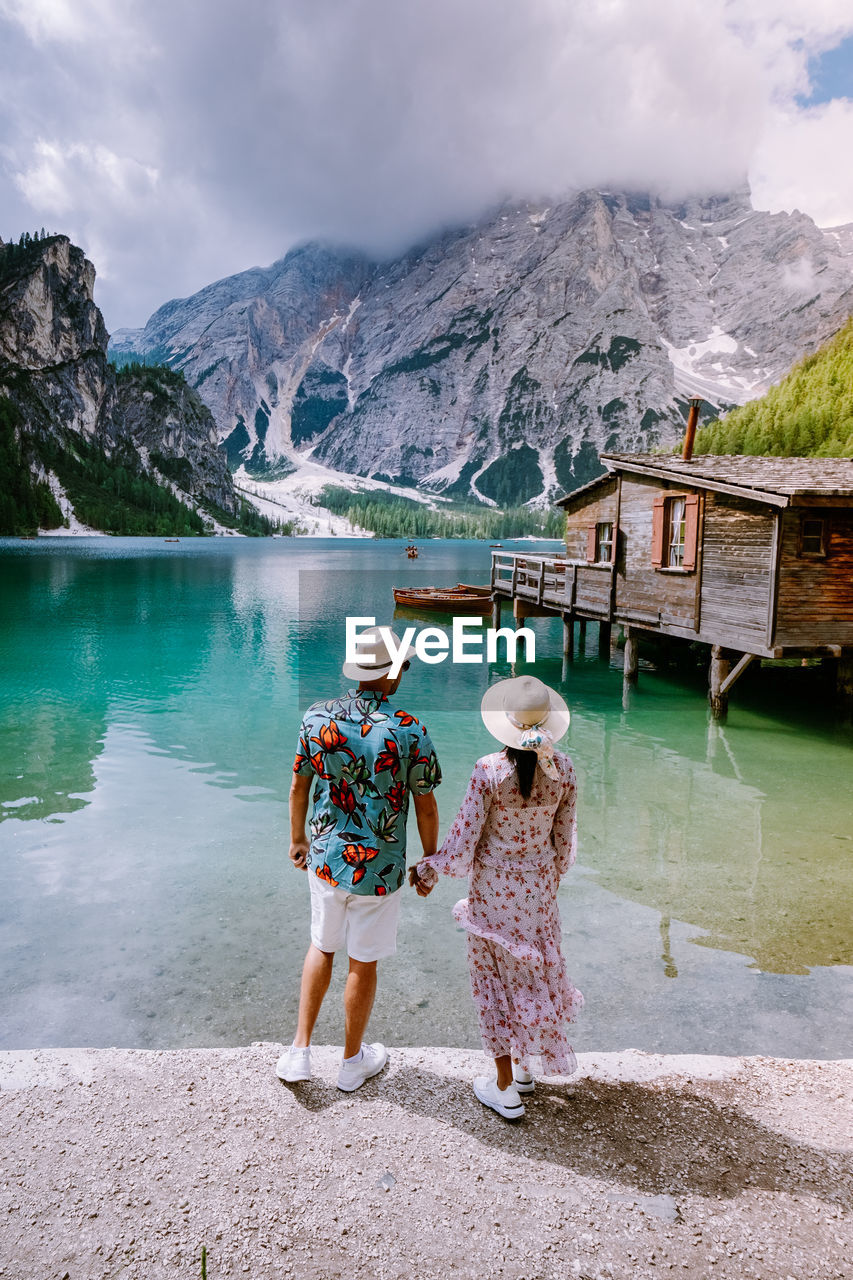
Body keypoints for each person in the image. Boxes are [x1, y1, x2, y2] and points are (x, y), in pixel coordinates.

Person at [410, 675, 582, 1121]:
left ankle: (505, 1087)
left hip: (493, 891)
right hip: (539, 889)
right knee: (530, 970)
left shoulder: (489, 770)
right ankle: (525, 1071)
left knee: (494, 979)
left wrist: (430, 868)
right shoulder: (563, 769)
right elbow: (563, 843)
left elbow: (465, 839)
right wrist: (548, 883)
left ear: (506, 725)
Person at [278, 625, 441, 1091]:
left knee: (321, 946)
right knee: (362, 961)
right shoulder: (410, 730)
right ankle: (352, 1062)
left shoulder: (316, 718)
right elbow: (425, 805)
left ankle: (299, 1052)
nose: (404, 675)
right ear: (390, 674)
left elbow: (299, 786)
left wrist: (297, 840)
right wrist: (430, 860)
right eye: (403, 667)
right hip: (381, 866)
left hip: (327, 857)